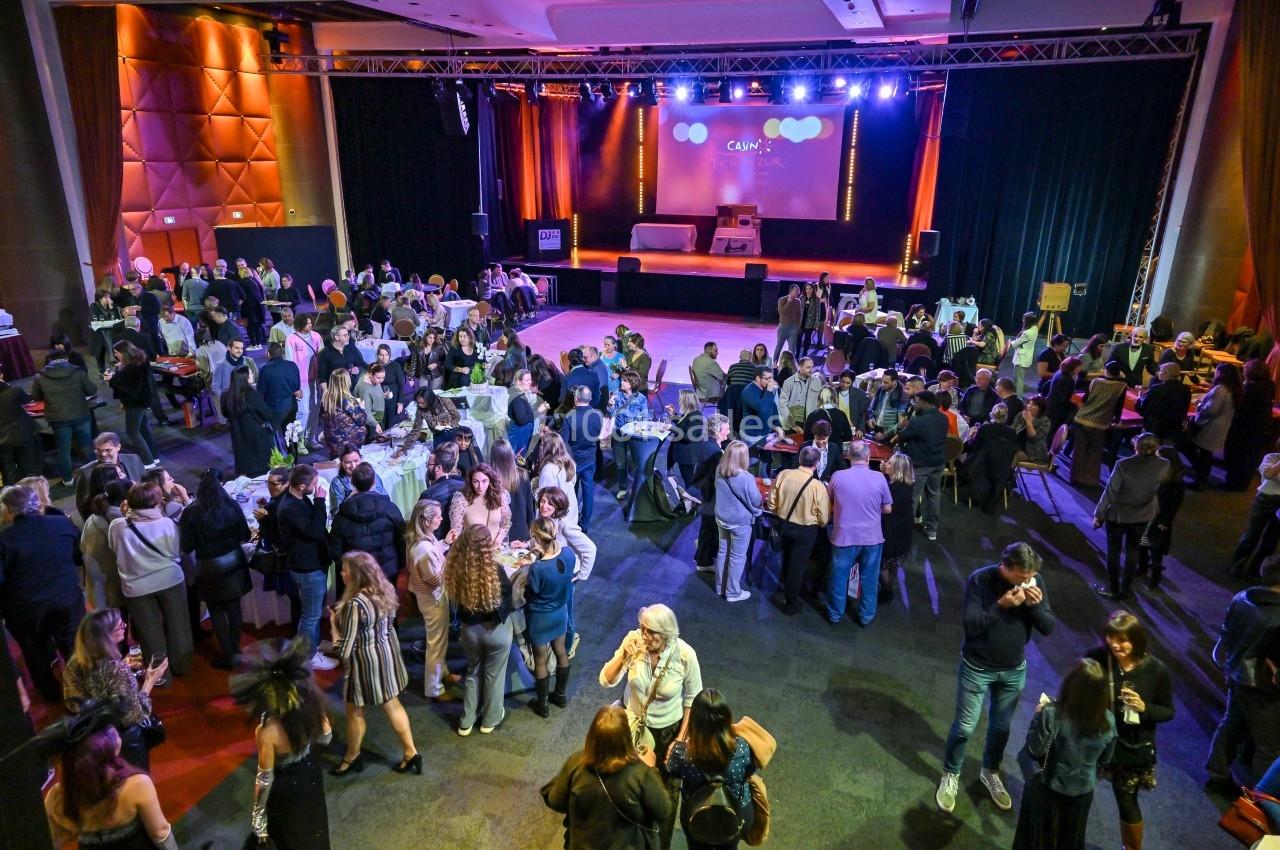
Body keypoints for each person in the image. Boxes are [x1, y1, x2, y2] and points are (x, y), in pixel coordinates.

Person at [936, 542, 1056, 814]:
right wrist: (1001, 606)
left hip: (1013, 670)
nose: (1028, 581)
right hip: (977, 667)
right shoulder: (981, 580)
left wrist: (1035, 607)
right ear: (1007, 567)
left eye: (1031, 576)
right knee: (966, 726)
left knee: (1001, 727)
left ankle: (990, 771)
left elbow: (1048, 626)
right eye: (1022, 577)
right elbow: (971, 625)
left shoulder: (1035, 580)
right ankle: (951, 774)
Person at [599, 603, 703, 849]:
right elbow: (606, 679)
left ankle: (659, 844)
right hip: (633, 728)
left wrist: (680, 739)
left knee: (664, 795)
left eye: (651, 632)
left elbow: (692, 700)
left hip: (667, 731)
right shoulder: (633, 641)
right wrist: (624, 655)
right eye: (642, 628)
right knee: (627, 786)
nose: (645, 636)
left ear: (666, 633)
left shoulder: (685, 655)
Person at [231, 638, 333, 850]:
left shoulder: (267, 731)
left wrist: (258, 817)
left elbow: (265, 778)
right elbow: (326, 737)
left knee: (290, 834)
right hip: (311, 774)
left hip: (286, 788)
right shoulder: (311, 705)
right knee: (315, 826)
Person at [1084, 611, 1175, 850]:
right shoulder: (1096, 659)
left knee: (1127, 801)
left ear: (1137, 640)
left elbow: (1167, 711)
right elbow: (1079, 690)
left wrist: (1144, 708)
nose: (1115, 644)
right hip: (1097, 738)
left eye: (1122, 639)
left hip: (1132, 747)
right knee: (1079, 791)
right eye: (1110, 638)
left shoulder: (1157, 670)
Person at [326, 551, 418, 777]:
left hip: (364, 665)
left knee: (354, 711)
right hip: (386, 657)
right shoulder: (384, 590)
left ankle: (351, 757)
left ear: (355, 575)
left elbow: (344, 650)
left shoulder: (355, 605)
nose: (341, 573)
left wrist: (333, 626)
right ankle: (411, 753)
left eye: (345, 569)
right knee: (393, 705)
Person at [1011, 658, 1117, 850]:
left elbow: (1034, 750)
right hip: (1083, 792)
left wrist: (1037, 716)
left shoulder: (1052, 713)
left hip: (1050, 788)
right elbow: (1105, 760)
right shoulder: (1109, 721)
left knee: (1038, 841)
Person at [41, 703, 178, 850]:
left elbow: (53, 841)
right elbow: (160, 833)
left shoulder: (56, 796)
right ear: (107, 751)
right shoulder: (137, 785)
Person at [540, 704, 671, 849]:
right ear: (626, 737)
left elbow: (555, 801)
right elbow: (663, 811)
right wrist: (651, 769)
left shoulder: (576, 762)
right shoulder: (641, 773)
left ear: (592, 735)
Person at [0, 485, 84, 701]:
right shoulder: (61, 523)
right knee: (74, 646)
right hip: (67, 598)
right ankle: (83, 691)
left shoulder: (4, 539)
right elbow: (77, 556)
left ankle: (51, 694)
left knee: (35, 652)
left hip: (26, 609)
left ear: (9, 510)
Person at [1205, 554, 1280, 793]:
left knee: (1231, 725)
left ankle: (1216, 774)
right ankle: (1262, 801)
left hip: (1236, 673)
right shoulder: (1278, 617)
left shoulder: (1243, 597)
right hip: (1262, 687)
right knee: (1269, 747)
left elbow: (1227, 632)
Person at [64, 608, 168, 772]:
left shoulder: (74, 662)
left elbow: (72, 701)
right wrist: (149, 681)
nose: (125, 626)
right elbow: (135, 715)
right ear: (105, 637)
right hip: (125, 739)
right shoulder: (115, 671)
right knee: (135, 782)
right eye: (120, 626)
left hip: (95, 737)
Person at [108, 482, 193, 679]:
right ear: (157, 502)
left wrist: (125, 516)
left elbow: (115, 548)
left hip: (136, 588)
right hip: (170, 580)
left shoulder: (118, 526)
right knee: (178, 625)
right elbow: (175, 552)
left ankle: (160, 675)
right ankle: (182, 666)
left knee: (149, 632)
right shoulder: (167, 524)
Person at [665, 688, 757, 850]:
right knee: (730, 843)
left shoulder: (683, 754)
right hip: (735, 812)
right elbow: (750, 772)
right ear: (726, 718)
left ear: (694, 721)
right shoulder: (742, 749)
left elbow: (671, 769)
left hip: (697, 814)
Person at [446, 524, 516, 736]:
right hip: (495, 632)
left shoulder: (456, 569)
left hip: (469, 631)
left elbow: (455, 603)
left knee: (472, 671)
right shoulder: (494, 570)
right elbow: (508, 600)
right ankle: (490, 720)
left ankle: (466, 721)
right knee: (494, 675)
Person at [178, 469, 252, 669]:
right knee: (234, 608)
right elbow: (245, 535)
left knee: (217, 611)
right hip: (234, 563)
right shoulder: (231, 506)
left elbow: (187, 546)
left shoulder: (191, 512)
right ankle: (236, 650)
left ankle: (228, 656)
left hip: (209, 568)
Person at [1092, 433, 1167, 600]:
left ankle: (1113, 588)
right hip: (1144, 514)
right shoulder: (1164, 465)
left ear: (1136, 447)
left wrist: (1099, 514)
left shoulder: (1123, 465)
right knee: (1133, 551)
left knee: (1114, 551)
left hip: (1119, 515)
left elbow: (1110, 492)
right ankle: (1126, 588)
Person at [276, 465, 337, 671]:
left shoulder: (297, 499)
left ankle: (316, 643)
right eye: (314, 484)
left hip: (312, 564)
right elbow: (314, 531)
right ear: (301, 486)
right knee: (309, 616)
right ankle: (308, 656)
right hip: (306, 568)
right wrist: (320, 502)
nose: (317, 487)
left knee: (313, 611)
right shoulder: (290, 508)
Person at [827, 440, 893, 626]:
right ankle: (866, 616)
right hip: (872, 538)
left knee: (839, 578)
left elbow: (830, 501)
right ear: (868, 457)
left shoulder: (838, 477)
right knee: (869, 579)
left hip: (843, 537)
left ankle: (835, 615)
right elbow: (887, 508)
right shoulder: (880, 478)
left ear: (848, 457)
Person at [767, 446, 830, 615]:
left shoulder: (784, 474)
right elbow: (823, 518)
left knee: (786, 557)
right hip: (805, 531)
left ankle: (783, 583)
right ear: (816, 464)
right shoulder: (818, 487)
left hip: (783, 524)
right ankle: (791, 602)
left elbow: (771, 502)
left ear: (800, 459)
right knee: (798, 565)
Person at [525, 517, 576, 717]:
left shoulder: (537, 568)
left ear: (537, 538)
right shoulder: (569, 554)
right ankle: (560, 695)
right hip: (560, 613)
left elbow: (532, 592)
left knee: (540, 660)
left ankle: (542, 704)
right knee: (561, 651)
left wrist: (534, 561)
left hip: (540, 618)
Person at [405, 500, 456, 701]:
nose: (441, 519)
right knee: (435, 643)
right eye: (437, 516)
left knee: (439, 640)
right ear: (426, 521)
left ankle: (443, 672)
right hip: (433, 600)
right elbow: (434, 579)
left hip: (429, 598)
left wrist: (445, 544)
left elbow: (434, 556)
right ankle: (433, 688)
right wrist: (453, 561)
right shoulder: (423, 549)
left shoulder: (423, 539)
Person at [31, 348, 99, 485]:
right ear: (66, 358)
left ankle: (68, 479)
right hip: (80, 414)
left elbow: (36, 397)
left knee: (64, 449)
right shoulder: (78, 372)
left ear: (49, 360)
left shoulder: (40, 377)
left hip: (57, 417)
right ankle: (96, 474)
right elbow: (92, 390)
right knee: (87, 445)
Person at [534, 432, 597, 579]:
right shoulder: (568, 462)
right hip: (570, 509)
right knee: (568, 544)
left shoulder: (548, 469)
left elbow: (545, 496)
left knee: (558, 545)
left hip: (556, 515)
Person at [329, 462, 406, 582]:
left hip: (357, 575)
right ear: (374, 482)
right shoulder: (390, 508)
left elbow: (335, 550)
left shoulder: (342, 515)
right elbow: (402, 539)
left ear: (353, 483)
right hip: (387, 572)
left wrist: (347, 570)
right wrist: (400, 564)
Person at [894, 390, 948, 541]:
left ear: (925, 403)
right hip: (938, 463)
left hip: (921, 465)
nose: (915, 404)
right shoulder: (943, 418)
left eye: (917, 402)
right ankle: (932, 530)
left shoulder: (918, 421)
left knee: (912, 497)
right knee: (934, 496)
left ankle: (905, 531)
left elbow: (901, 436)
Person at [712, 441, 761, 603]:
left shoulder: (719, 470)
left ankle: (720, 587)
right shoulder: (746, 478)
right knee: (737, 557)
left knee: (722, 552)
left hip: (721, 518)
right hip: (739, 523)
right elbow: (756, 500)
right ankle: (732, 592)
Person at [1070, 361, 1128, 487]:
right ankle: (1089, 479)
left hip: (1081, 418)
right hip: (1099, 423)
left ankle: (1075, 477)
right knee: (1095, 451)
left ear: (1106, 371)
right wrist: (1115, 422)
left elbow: (1085, 399)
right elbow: (1119, 407)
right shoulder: (1121, 386)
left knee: (1079, 450)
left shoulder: (1095, 382)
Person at [1229, 443, 1280, 578]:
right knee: (1251, 535)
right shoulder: (1271, 458)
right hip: (1265, 499)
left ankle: (1257, 570)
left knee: (1271, 539)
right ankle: (1236, 565)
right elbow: (1268, 474)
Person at [1226, 359, 1277, 490]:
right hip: (1262, 427)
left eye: (1245, 369)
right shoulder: (1269, 385)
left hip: (1245, 428)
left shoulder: (1250, 387)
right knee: (1250, 457)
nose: (1243, 371)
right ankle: (1243, 483)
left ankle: (1234, 484)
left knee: (1238, 456)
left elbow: (1242, 408)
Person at [1187, 362, 1241, 488]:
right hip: (1220, 427)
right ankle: (1201, 478)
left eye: (1216, 372)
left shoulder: (1220, 389)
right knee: (1206, 455)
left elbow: (1210, 410)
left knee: (1202, 454)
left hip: (1210, 427)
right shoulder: (1233, 389)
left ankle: (1199, 480)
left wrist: (1199, 405)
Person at [107, 341, 160, 468]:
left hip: (135, 403)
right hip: (144, 399)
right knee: (143, 429)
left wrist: (111, 380)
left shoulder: (131, 368)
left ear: (123, 352)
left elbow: (126, 387)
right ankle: (154, 456)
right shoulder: (140, 361)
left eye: (116, 353)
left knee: (132, 432)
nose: (115, 356)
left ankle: (148, 462)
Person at [560, 385, 604, 531]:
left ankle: (572, 520)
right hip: (590, 458)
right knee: (588, 490)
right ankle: (584, 523)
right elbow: (598, 434)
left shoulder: (570, 416)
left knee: (571, 490)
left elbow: (563, 442)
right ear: (589, 399)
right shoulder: (597, 415)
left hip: (573, 460)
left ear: (575, 398)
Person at [74, 433, 145, 521]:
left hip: (139, 512)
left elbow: (145, 483)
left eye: (108, 450)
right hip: (108, 519)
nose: (103, 454)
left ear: (118, 447)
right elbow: (82, 504)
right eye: (98, 450)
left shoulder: (133, 459)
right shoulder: (86, 472)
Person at [222, 367, 276, 478]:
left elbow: (225, 413)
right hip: (258, 438)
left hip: (239, 437)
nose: (252, 376)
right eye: (250, 374)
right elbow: (266, 414)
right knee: (262, 475)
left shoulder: (226, 395)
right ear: (244, 377)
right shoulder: (251, 394)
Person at [609, 369, 652, 497]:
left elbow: (645, 418)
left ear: (631, 383)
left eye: (624, 381)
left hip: (634, 434)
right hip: (619, 433)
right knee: (620, 462)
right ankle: (623, 488)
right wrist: (610, 405)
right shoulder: (617, 394)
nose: (621, 382)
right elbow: (612, 414)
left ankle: (638, 487)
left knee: (637, 461)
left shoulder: (641, 399)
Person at [447, 462, 512, 546]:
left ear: (490, 481)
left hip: (495, 550)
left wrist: (499, 538)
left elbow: (505, 523)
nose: (480, 486)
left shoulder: (501, 496)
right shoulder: (461, 499)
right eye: (476, 481)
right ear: (470, 482)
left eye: (484, 481)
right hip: (471, 552)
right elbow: (456, 532)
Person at [879, 452, 915, 603]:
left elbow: (884, 507)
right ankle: (888, 587)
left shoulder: (894, 489)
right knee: (894, 562)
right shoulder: (904, 485)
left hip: (891, 532)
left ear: (897, 469)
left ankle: (886, 590)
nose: (885, 464)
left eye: (889, 463)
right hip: (903, 531)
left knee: (883, 563)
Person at [319, 369, 371, 459]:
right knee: (367, 428)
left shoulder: (325, 398)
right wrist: (361, 407)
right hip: (348, 442)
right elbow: (362, 420)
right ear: (346, 382)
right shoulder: (348, 400)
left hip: (332, 440)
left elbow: (322, 415)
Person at [1135, 362, 1191, 443]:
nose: (1159, 373)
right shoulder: (1186, 390)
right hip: (1173, 429)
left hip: (1154, 429)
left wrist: (1139, 397)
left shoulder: (1157, 389)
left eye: (1160, 370)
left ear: (1166, 373)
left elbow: (1142, 409)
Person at [258, 341, 302, 430]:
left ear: (268, 354)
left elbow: (261, 393)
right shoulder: (292, 365)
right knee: (290, 436)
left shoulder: (265, 370)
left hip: (274, 410)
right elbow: (297, 387)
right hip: (291, 407)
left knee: (273, 438)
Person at [669, 389, 707, 486]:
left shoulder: (696, 416)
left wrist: (671, 428)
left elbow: (689, 437)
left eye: (680, 399)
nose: (678, 401)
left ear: (686, 401)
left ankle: (692, 500)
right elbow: (683, 425)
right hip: (684, 455)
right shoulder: (689, 413)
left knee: (689, 482)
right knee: (687, 480)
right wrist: (674, 415)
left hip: (688, 456)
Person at [507, 369, 547, 457]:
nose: (530, 382)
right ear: (518, 382)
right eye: (527, 380)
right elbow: (522, 420)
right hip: (518, 439)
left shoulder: (518, 393)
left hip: (522, 435)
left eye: (530, 379)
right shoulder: (517, 399)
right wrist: (539, 411)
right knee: (519, 462)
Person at [777, 356, 823, 431]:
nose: (811, 370)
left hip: (811, 423)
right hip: (792, 423)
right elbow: (782, 405)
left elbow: (821, 401)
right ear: (800, 367)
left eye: (812, 367)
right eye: (808, 367)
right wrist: (793, 425)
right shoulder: (788, 382)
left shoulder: (817, 382)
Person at [739, 365, 783, 444]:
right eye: (767, 379)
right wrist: (769, 390)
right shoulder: (749, 391)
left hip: (764, 431)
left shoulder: (767, 390)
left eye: (771, 378)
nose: (770, 381)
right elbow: (762, 408)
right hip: (752, 433)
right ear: (758, 378)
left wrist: (778, 427)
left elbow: (773, 408)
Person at [1013, 395, 1053, 464]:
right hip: (1017, 446)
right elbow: (1012, 430)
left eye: (1033, 404)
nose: (1029, 406)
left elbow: (1034, 438)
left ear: (1040, 408)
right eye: (1028, 403)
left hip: (1034, 453)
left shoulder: (1045, 421)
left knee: (1010, 456)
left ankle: (1008, 474)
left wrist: (1028, 422)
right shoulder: (1020, 415)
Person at [1008, 312, 1039, 395]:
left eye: (1024, 319)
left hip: (1022, 358)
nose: (1022, 321)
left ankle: (1018, 397)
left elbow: (1016, 344)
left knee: (1018, 379)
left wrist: (1010, 342)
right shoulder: (1034, 328)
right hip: (1027, 356)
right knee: (1019, 378)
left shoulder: (1027, 333)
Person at [775, 284, 803, 360]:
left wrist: (798, 326)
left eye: (798, 291)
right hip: (783, 328)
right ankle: (774, 363)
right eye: (796, 291)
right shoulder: (782, 300)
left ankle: (791, 365)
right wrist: (789, 302)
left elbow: (799, 315)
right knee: (779, 347)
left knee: (792, 350)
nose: (798, 292)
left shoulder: (798, 301)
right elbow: (782, 313)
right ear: (791, 291)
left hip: (793, 328)